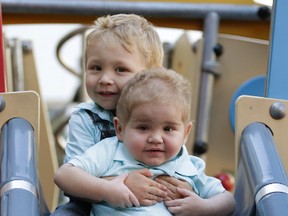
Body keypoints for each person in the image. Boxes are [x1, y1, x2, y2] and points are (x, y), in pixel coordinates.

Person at [51, 14, 191, 215]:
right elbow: (73, 181)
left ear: (149, 76)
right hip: (91, 202)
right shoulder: (85, 118)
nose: (105, 79)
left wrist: (184, 187)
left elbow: (176, 164)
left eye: (120, 69)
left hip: (152, 204)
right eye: (96, 68)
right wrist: (123, 184)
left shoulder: (163, 117)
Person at [54, 67, 235, 216]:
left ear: (186, 132)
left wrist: (202, 208)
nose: (155, 138)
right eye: (143, 128)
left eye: (168, 129)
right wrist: (107, 189)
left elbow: (227, 201)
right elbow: (64, 176)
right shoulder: (111, 151)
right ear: (120, 129)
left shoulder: (189, 166)